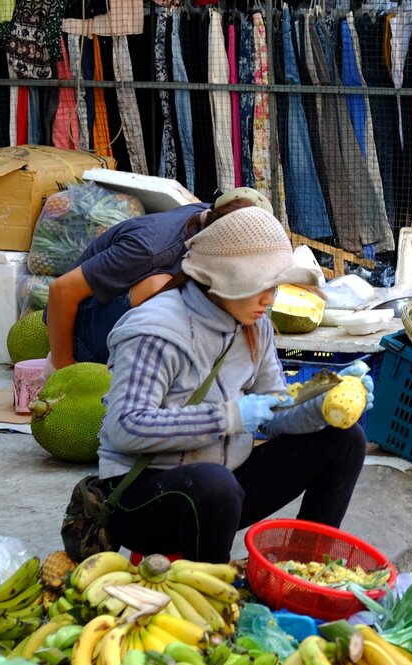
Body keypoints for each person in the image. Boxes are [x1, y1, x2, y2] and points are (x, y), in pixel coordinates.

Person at [97, 205, 373, 562]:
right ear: (222, 279)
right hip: (143, 499)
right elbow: (125, 426)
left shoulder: (254, 325)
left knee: (344, 440)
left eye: (274, 287)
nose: (269, 299)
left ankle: (305, 571)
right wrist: (229, 417)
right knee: (215, 486)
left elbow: (273, 411)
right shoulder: (155, 331)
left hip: (222, 486)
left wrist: (321, 403)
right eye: (260, 286)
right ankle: (211, 593)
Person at [45, 186, 274, 370]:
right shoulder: (149, 248)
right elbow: (61, 291)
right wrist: (64, 370)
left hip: (124, 321)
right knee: (161, 286)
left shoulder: (213, 217)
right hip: (80, 336)